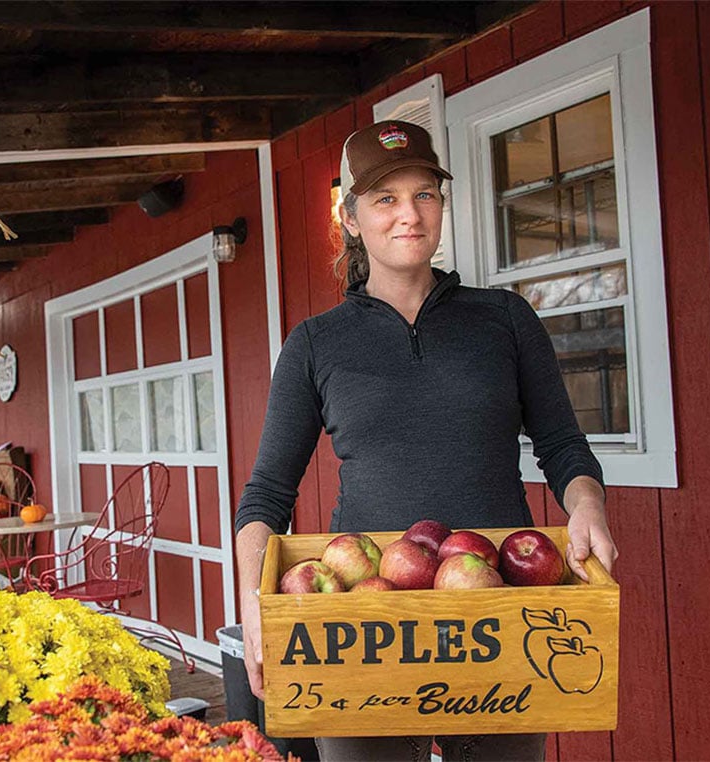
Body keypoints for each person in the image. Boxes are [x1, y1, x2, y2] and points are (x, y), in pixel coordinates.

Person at [233, 120, 618, 762]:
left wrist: (588, 507)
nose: (409, 214)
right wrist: (253, 608)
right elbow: (266, 495)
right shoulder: (315, 344)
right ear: (352, 218)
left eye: (425, 194)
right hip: (360, 626)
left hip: (498, 613)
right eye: (385, 198)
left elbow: (562, 446)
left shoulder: (505, 319)